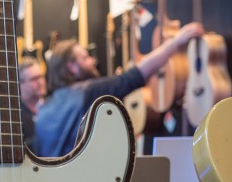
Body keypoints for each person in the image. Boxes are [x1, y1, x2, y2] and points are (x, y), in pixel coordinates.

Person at [32, 23, 204, 158]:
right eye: (85, 58)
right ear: (71, 67)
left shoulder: (44, 107)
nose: (93, 60)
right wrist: (175, 42)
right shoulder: (86, 92)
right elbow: (135, 76)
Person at [19, 56, 46, 148]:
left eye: (41, 77)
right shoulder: (16, 115)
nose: (41, 82)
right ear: (21, 85)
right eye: (34, 79)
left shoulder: (52, 107)